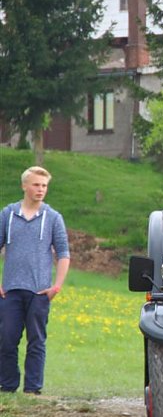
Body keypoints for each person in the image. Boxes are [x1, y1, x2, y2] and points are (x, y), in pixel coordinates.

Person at [0, 166, 70, 395]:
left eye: (44, 186)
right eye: (36, 185)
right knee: (7, 339)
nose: (40, 190)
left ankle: (33, 389)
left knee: (36, 341)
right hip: (10, 290)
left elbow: (63, 254)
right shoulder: (7, 215)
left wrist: (56, 286)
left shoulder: (53, 218)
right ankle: (8, 386)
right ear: (24, 186)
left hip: (40, 292)